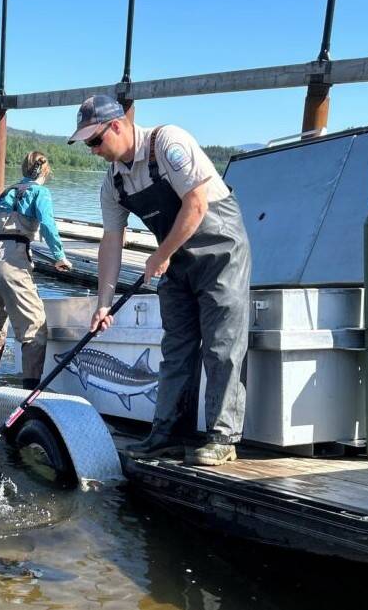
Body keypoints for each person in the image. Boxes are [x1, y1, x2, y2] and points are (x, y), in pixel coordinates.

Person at [68, 95, 251, 466]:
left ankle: (223, 437)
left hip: (221, 250)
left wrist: (161, 254)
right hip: (175, 259)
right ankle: (166, 434)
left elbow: (196, 204)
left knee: (221, 345)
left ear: (117, 125)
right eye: (87, 144)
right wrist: (104, 301)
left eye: (95, 141)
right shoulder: (114, 183)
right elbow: (111, 241)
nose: (93, 150)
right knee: (176, 349)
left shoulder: (168, 143)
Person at [0, 151, 72, 390]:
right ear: (45, 171)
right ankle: (29, 395)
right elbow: (48, 225)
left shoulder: (3, 194)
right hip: (12, 263)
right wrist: (59, 256)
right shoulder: (40, 193)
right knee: (35, 329)